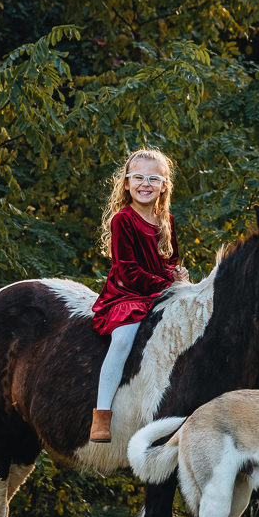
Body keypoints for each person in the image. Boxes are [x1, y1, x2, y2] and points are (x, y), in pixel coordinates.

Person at [89, 148, 190, 444]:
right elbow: (127, 270)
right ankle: (102, 416)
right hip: (128, 294)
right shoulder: (123, 220)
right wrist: (165, 285)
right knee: (121, 342)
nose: (145, 184)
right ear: (127, 183)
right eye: (138, 178)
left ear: (163, 185)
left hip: (161, 291)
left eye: (153, 178)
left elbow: (171, 258)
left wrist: (177, 274)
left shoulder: (166, 219)